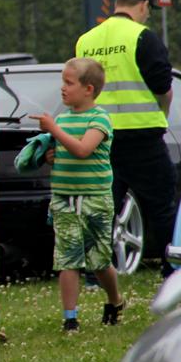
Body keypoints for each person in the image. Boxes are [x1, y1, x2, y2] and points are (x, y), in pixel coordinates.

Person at [76, 0, 176, 277]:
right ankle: (174, 269)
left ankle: (97, 274)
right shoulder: (142, 36)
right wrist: (164, 113)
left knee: (103, 208)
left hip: (100, 137)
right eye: (149, 10)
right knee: (161, 206)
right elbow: (163, 86)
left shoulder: (86, 40)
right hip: (143, 137)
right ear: (144, 5)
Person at [32, 58, 124, 331]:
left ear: (88, 89)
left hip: (95, 199)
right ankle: (70, 318)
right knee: (67, 258)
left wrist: (55, 131)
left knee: (99, 260)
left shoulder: (100, 118)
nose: (63, 88)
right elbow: (66, 152)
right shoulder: (62, 118)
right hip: (64, 198)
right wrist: (49, 156)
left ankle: (115, 299)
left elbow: (84, 149)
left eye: (69, 83)